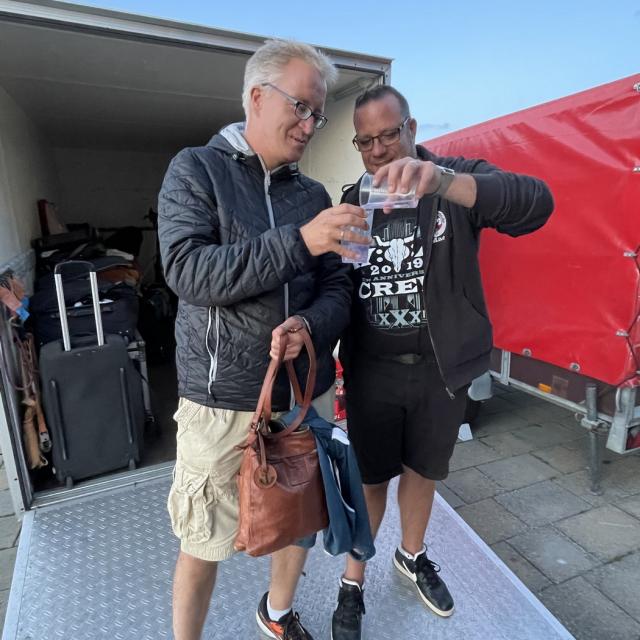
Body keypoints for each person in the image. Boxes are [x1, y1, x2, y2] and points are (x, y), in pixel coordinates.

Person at [158, 39, 369, 640]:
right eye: (300, 107)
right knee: (203, 538)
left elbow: (338, 290)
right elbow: (188, 272)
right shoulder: (196, 169)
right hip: (221, 401)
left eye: (317, 114)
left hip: (300, 397)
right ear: (256, 96)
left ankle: (276, 612)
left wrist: (310, 325)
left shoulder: (313, 195)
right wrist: (300, 242)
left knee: (300, 519)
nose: (309, 125)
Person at [331, 85, 554, 640]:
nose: (378, 150)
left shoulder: (453, 179)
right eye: (365, 141)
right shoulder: (352, 199)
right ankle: (353, 583)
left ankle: (411, 556)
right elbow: (337, 284)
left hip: (439, 368)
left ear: (411, 128)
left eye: (388, 134)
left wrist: (445, 184)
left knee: (424, 470)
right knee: (370, 481)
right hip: (372, 371)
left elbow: (536, 203)